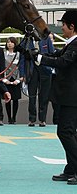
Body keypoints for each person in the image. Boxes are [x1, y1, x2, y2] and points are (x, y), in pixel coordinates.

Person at [30, 10, 77, 185]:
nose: (61, 28)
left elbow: (63, 62)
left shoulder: (76, 45)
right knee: (68, 132)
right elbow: (58, 55)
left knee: (66, 132)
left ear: (72, 26)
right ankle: (71, 169)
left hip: (72, 98)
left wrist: (41, 58)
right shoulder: (70, 44)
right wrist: (35, 55)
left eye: (63, 25)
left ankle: (75, 168)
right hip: (67, 97)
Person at [27, 33, 55, 127]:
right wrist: (22, 74)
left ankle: (42, 119)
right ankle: (32, 119)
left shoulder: (46, 39)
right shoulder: (27, 39)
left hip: (45, 70)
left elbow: (52, 53)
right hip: (32, 70)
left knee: (44, 96)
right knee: (32, 95)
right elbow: (23, 57)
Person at [2, 37, 24, 124]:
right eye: (8, 42)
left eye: (11, 42)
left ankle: (14, 118)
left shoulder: (19, 54)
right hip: (6, 79)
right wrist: (4, 79)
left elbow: (21, 67)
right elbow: (1, 67)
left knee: (15, 99)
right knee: (7, 99)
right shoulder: (3, 54)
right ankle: (8, 118)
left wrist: (19, 79)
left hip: (16, 79)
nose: (9, 44)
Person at [48, 33, 61, 125]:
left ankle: (57, 121)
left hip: (57, 78)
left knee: (57, 102)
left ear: (54, 40)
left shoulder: (59, 52)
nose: (49, 40)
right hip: (46, 78)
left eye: (51, 39)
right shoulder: (42, 53)